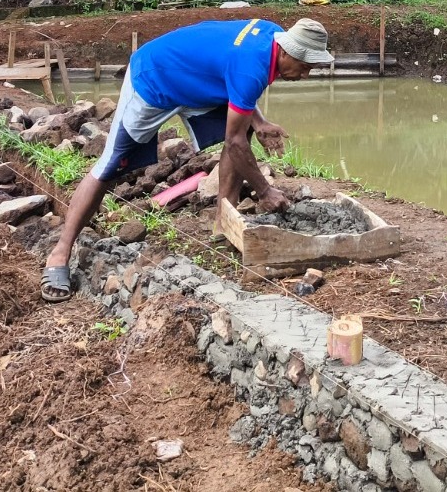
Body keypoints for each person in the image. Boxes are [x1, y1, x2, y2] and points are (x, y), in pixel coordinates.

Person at [40, 17, 334, 302]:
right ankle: (61, 252)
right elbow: (236, 128)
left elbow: (234, 76)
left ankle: (224, 222)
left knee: (242, 128)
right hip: (154, 78)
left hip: (193, 84)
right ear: (286, 50)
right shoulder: (253, 66)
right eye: (304, 66)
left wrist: (259, 122)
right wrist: (265, 191)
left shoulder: (272, 36)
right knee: (111, 164)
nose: (305, 74)